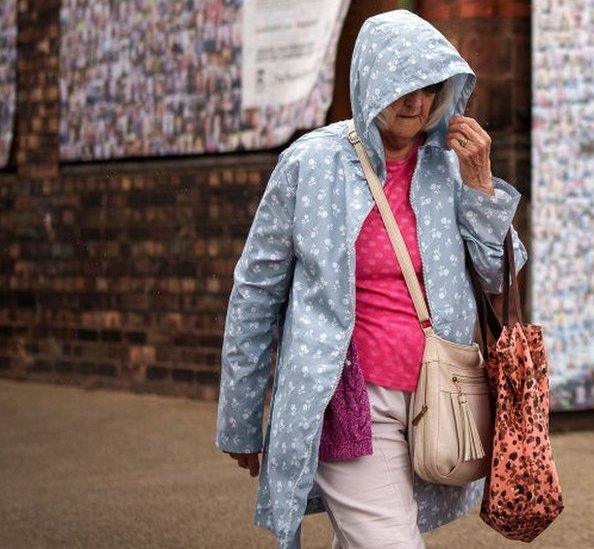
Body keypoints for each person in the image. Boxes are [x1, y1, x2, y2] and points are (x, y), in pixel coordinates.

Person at [215, 9, 528, 548]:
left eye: (429, 87)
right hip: (347, 397)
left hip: (436, 396)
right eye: (401, 85)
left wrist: (480, 184)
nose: (417, 102)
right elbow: (256, 292)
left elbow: (497, 275)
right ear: (369, 80)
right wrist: (241, 418)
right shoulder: (311, 164)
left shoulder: (449, 166)